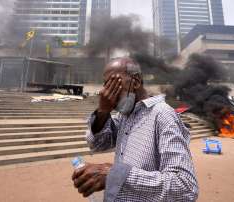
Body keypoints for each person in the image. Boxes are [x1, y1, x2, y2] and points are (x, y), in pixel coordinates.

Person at [72, 57, 198, 202]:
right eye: (105, 86)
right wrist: (102, 111)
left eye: (113, 84)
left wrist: (114, 174)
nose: (106, 93)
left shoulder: (163, 115)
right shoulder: (125, 115)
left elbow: (185, 187)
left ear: (136, 82)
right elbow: (99, 144)